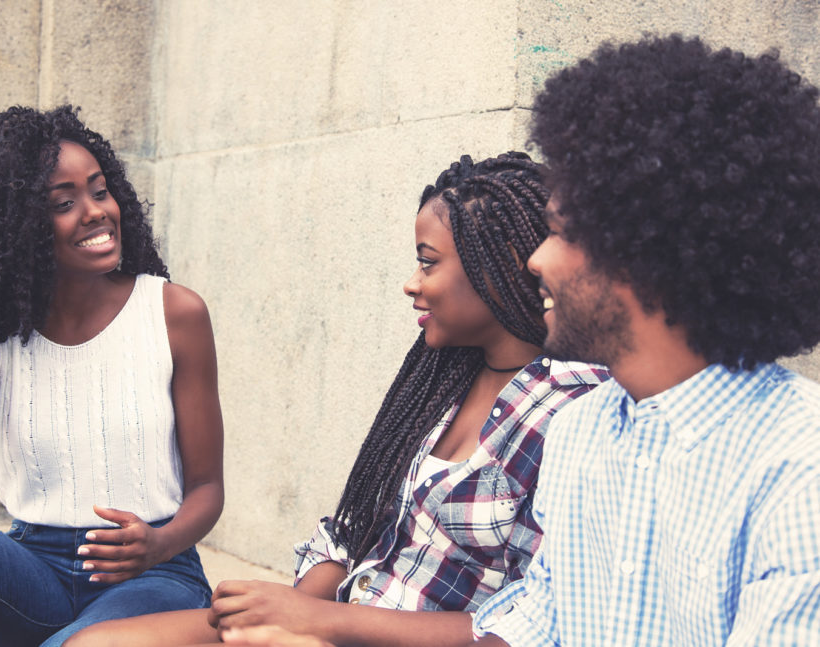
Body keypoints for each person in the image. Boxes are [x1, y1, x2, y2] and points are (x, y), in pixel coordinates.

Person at [65, 153, 610, 647]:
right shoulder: (442, 375)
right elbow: (354, 530)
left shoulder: (571, 409)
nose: (411, 283)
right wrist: (290, 606)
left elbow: (532, 622)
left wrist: (319, 622)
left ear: (500, 261)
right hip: (338, 621)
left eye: (428, 262)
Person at [468, 35, 820, 646]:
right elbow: (540, 624)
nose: (536, 260)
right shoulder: (579, 431)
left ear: (644, 250)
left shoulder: (798, 470)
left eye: (557, 232)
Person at [0, 105, 225, 647]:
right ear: (15, 229)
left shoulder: (174, 314)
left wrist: (160, 544)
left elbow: (206, 487)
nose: (95, 212)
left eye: (100, 191)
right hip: (33, 568)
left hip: (151, 574)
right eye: (64, 203)